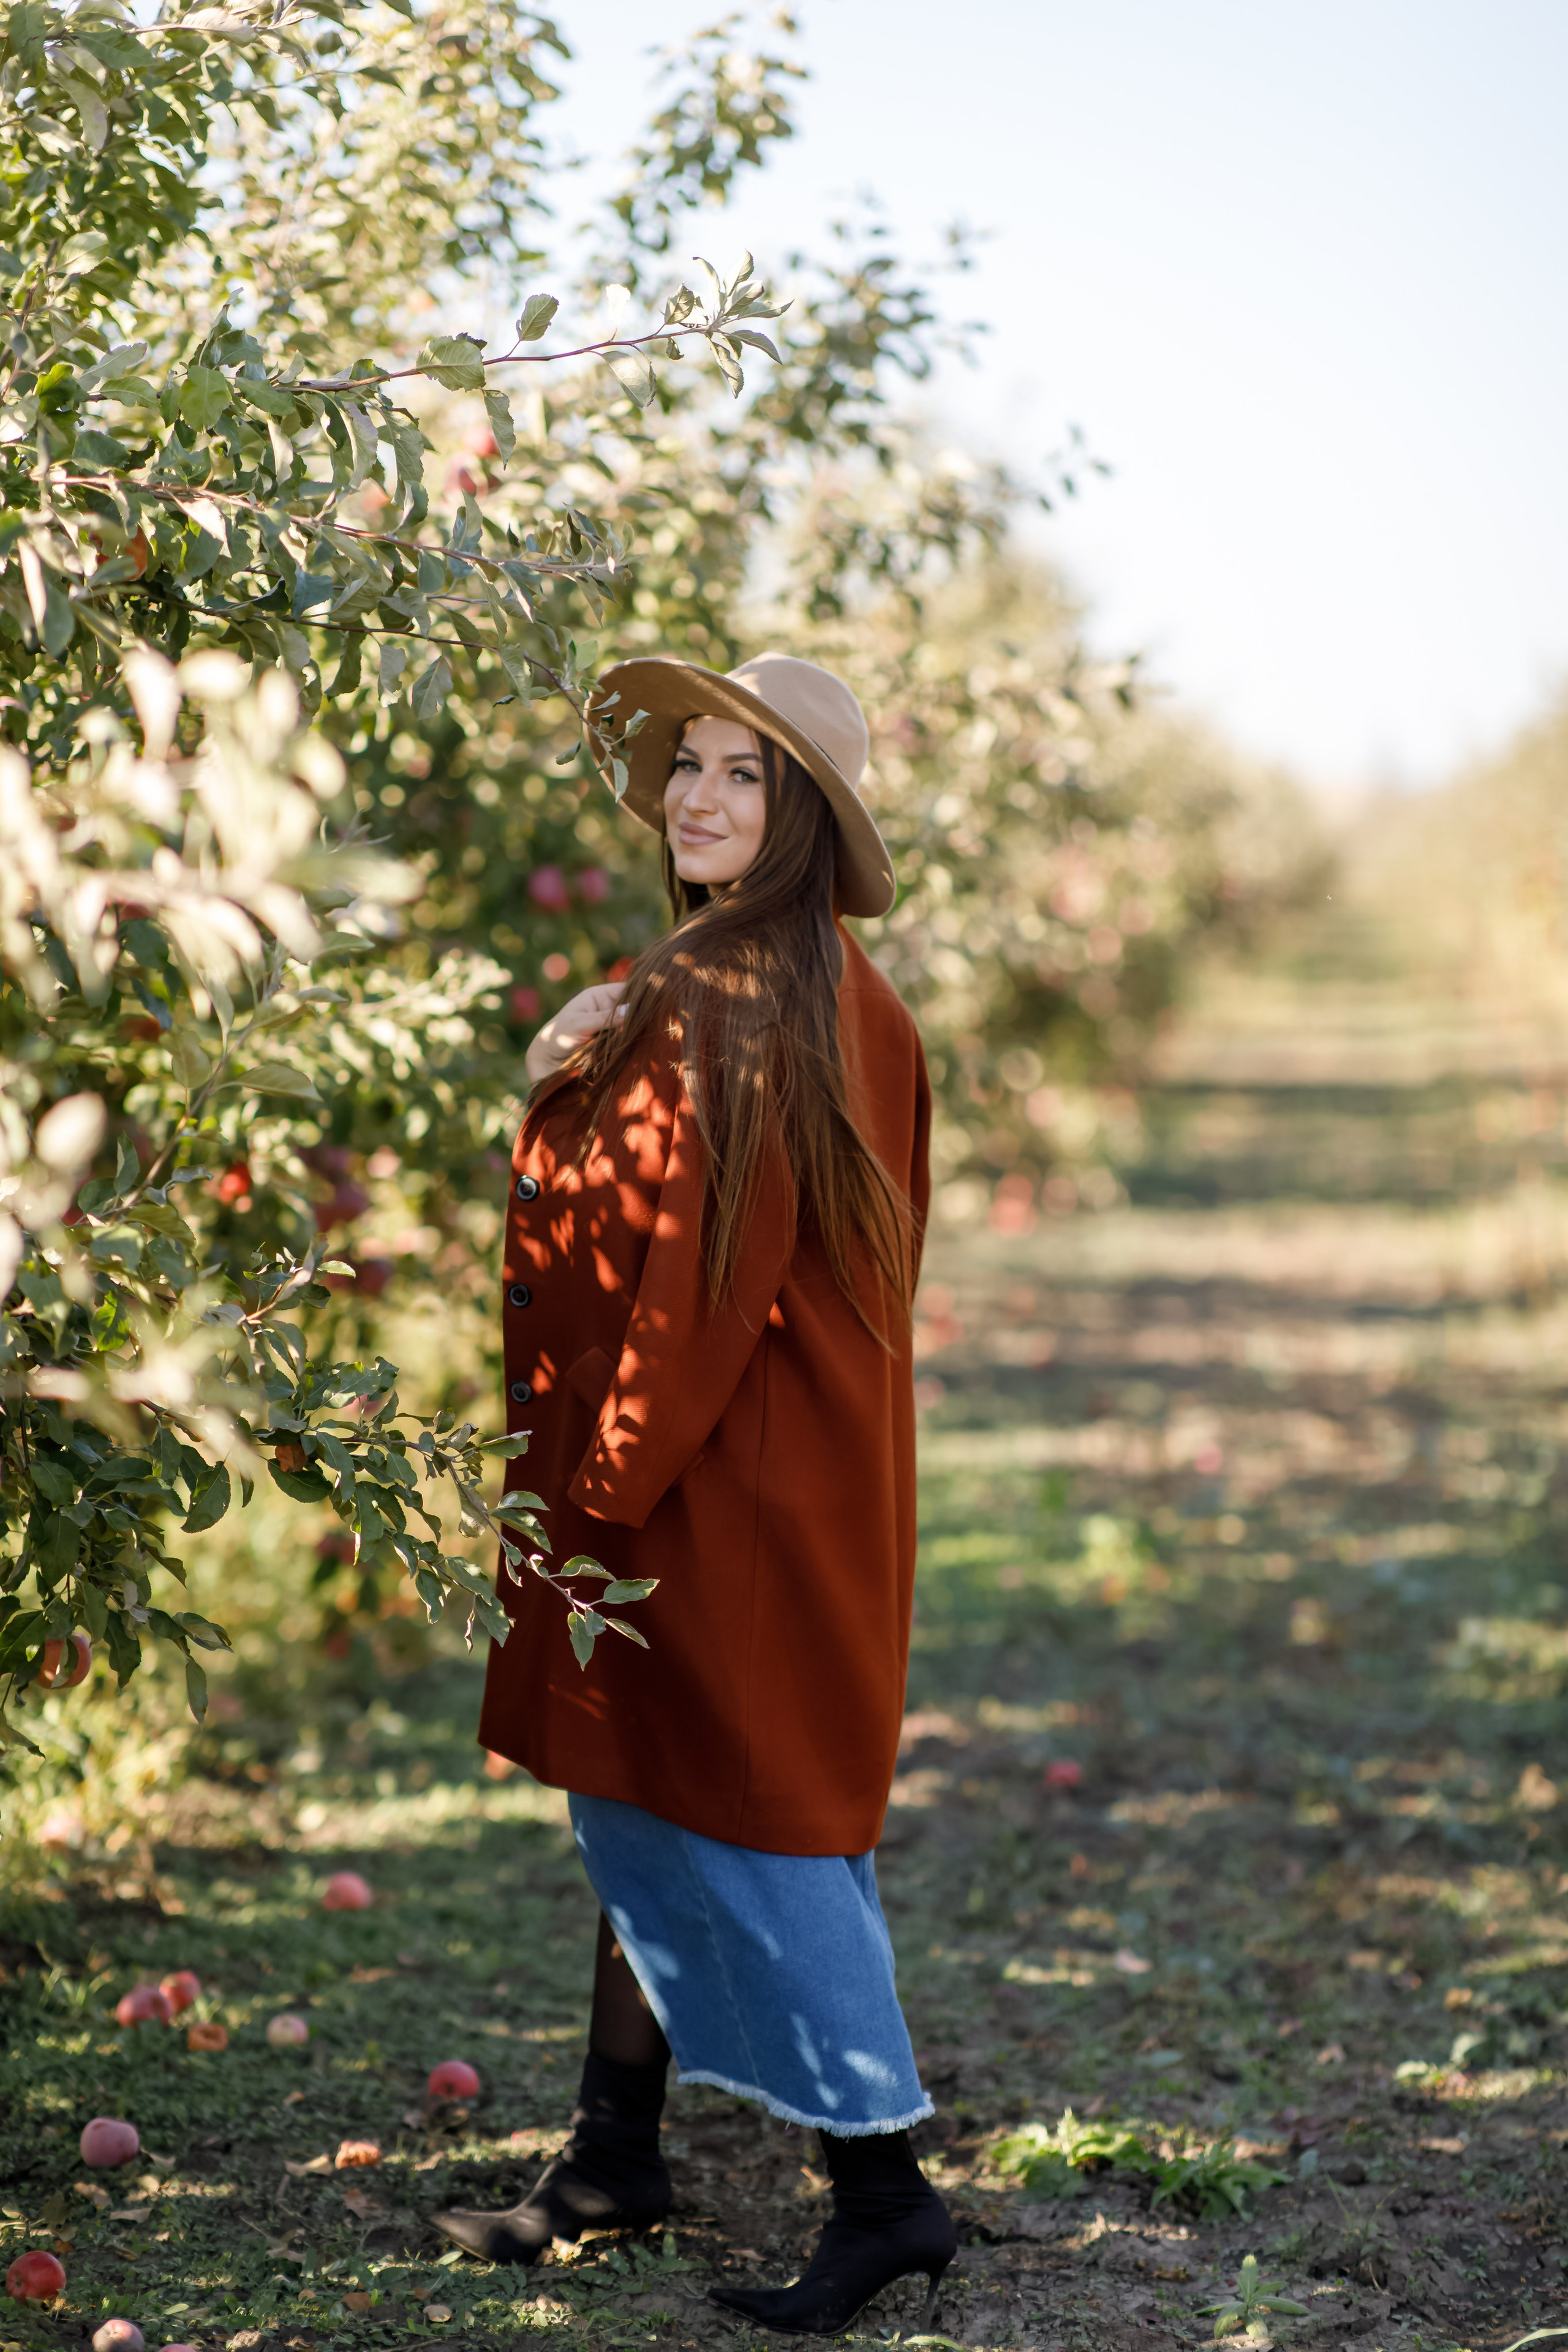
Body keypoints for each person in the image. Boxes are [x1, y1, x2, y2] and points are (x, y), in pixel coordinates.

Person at [434, 652, 956, 2335]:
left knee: (759, 1821)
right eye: (692, 765)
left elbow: (692, 1281)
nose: (702, 797)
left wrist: (604, 1484)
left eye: (749, 774)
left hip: (708, 1474)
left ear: (805, 818)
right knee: (652, 1783)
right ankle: (616, 2152)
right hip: (796, 1467)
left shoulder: (726, 988)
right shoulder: (834, 990)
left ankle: (885, 2191)